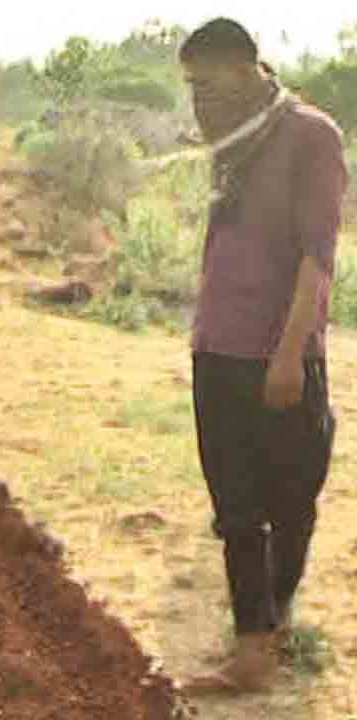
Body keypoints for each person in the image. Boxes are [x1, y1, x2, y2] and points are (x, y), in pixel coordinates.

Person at [178, 18, 347, 694]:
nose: (201, 104)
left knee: (292, 502)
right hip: (215, 348)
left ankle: (270, 627)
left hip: (277, 357)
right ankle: (253, 649)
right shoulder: (234, 143)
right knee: (237, 508)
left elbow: (318, 258)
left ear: (250, 71)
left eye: (212, 87)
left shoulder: (311, 136)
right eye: (192, 90)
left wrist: (287, 356)